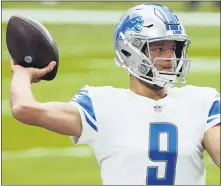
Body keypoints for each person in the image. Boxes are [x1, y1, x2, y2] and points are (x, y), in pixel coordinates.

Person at [9, 3, 220, 185]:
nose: (170, 57)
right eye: (159, 48)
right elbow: (24, 109)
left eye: (173, 48)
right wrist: (22, 73)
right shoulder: (100, 104)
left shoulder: (202, 102)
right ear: (130, 51)